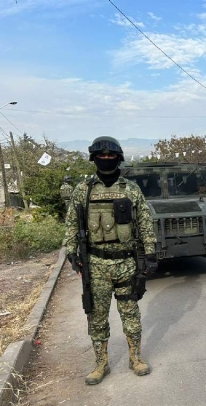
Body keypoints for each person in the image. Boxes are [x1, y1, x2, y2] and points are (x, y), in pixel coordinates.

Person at [63, 136, 158, 386]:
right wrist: (71, 252)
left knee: (131, 314)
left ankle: (135, 358)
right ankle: (101, 363)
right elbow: (72, 223)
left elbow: (145, 223)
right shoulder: (84, 190)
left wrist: (150, 254)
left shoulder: (131, 189)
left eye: (110, 156)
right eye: (101, 157)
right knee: (96, 316)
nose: (106, 160)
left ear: (118, 158)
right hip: (95, 266)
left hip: (126, 264)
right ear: (94, 158)